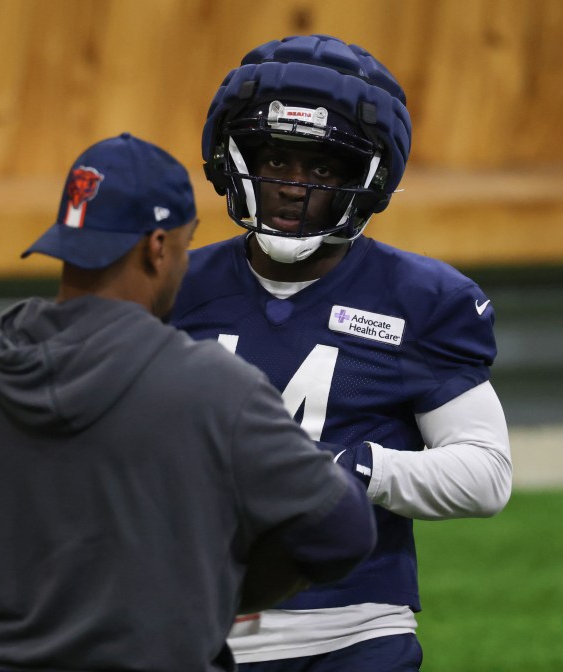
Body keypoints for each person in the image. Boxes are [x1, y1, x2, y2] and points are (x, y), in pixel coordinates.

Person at [0, 133, 377, 672]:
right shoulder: (214, 390)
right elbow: (343, 532)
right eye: (185, 243)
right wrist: (218, 589)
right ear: (157, 247)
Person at [171, 35, 513, 671]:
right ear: (233, 157)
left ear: (367, 179)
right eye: (275, 158)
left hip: (349, 632)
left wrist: (352, 472)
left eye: (322, 169)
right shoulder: (171, 286)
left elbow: (486, 474)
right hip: (182, 622)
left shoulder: (421, 299)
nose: (293, 187)